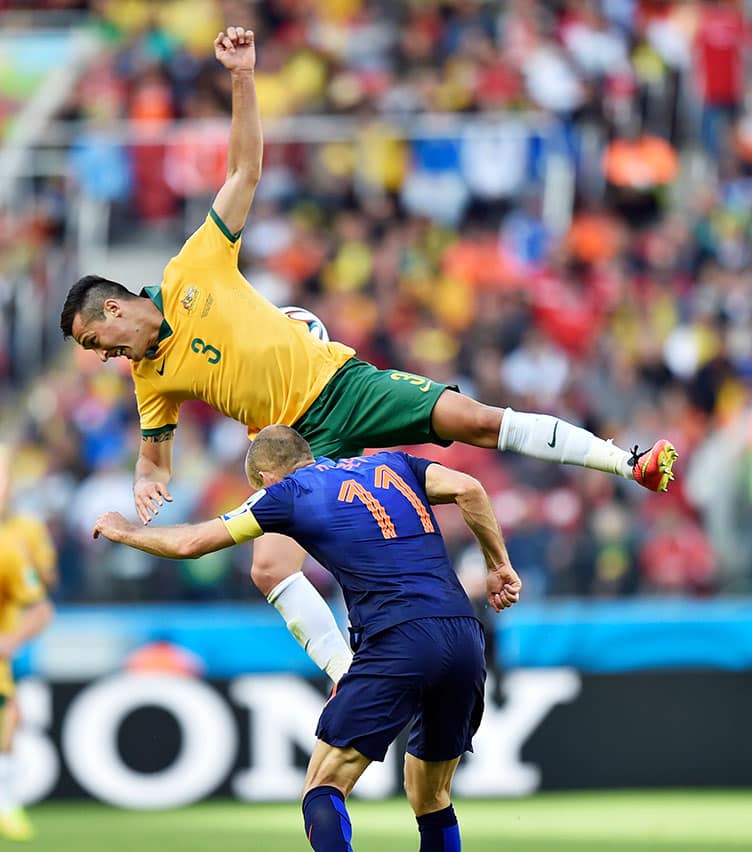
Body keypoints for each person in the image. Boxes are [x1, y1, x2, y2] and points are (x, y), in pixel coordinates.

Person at [63, 24, 677, 687]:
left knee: (472, 419)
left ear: (116, 309)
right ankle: (351, 677)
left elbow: (244, 171)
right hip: (296, 450)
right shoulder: (148, 379)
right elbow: (155, 454)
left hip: (343, 384)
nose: (102, 357)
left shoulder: (193, 270)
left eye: (97, 341)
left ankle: (627, 460)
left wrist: (242, 76)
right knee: (269, 567)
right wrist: (146, 477)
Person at [93, 424, 522, 852]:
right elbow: (471, 489)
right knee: (431, 793)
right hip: (464, 637)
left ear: (265, 477)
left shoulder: (285, 495)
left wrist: (125, 532)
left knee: (323, 785)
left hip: (396, 639)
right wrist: (498, 565)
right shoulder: (394, 465)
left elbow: (192, 543)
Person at [0, 450, 55, 840]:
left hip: (11, 638)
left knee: (11, 713)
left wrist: (11, 640)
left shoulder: (17, 539)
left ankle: (6, 802)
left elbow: (43, 593)